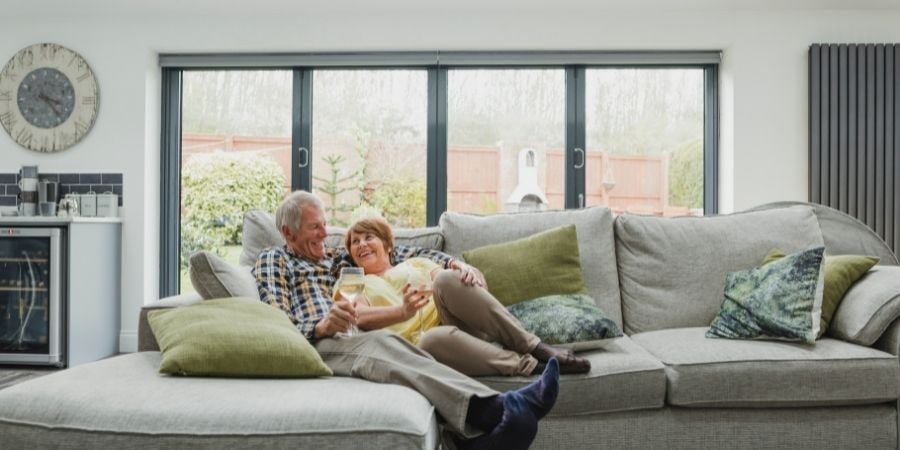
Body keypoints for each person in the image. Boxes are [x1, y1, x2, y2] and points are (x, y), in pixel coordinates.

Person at [253, 190, 560, 449]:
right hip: (318, 343)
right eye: (314, 228)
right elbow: (276, 321)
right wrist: (321, 326)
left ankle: (474, 436)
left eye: (324, 224)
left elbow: (394, 252)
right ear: (288, 233)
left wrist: (452, 262)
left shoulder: (336, 257)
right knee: (384, 342)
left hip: (352, 334)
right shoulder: (274, 260)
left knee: (389, 342)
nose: (324, 233)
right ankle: (496, 410)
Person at [343, 216, 591, 377]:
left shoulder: (416, 263)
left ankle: (536, 347)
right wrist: (402, 311)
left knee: (447, 278)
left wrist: (467, 273)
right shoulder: (353, 280)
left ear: (388, 245)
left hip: (460, 322)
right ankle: (531, 366)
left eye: (369, 237)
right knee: (432, 339)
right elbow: (357, 315)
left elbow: (451, 284)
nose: (362, 244)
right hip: (427, 347)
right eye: (355, 242)